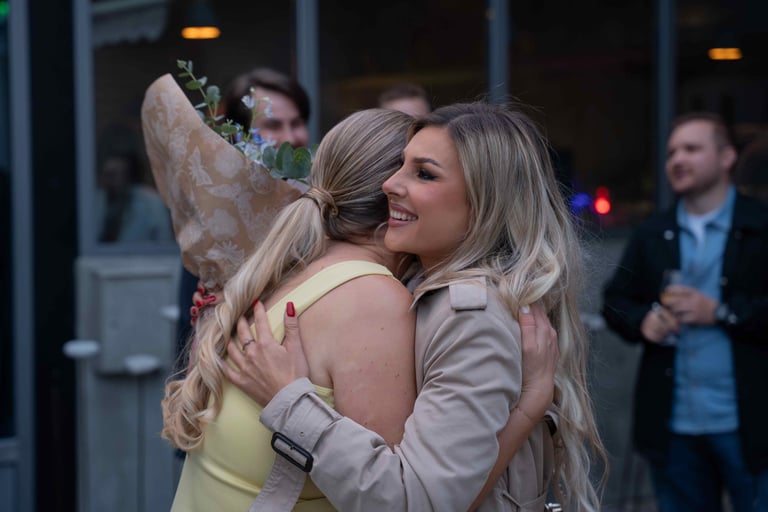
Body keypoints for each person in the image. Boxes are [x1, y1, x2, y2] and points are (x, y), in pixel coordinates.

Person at [225, 102, 605, 511]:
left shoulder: (472, 318)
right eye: (400, 165)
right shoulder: (419, 284)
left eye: (424, 173)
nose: (389, 183)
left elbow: (416, 501)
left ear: (485, 203)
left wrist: (290, 400)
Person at [163, 108, 419, 511]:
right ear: (397, 196)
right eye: (427, 175)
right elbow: (389, 500)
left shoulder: (290, 266)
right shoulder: (373, 300)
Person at [602, 112, 768, 511]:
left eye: (691, 149)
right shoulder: (652, 232)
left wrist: (721, 312)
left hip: (752, 425)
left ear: (727, 157)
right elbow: (614, 301)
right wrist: (644, 320)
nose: (677, 159)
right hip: (673, 429)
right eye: (671, 152)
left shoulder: (761, 226)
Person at [177, 67, 311, 358]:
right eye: (273, 125)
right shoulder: (217, 218)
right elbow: (190, 326)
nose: (291, 136)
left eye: (297, 122)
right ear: (240, 136)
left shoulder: (318, 202)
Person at [95, 150, 173, 243]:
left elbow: (164, 239)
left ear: (127, 176)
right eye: (104, 175)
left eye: (112, 175)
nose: (106, 181)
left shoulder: (151, 203)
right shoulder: (95, 201)